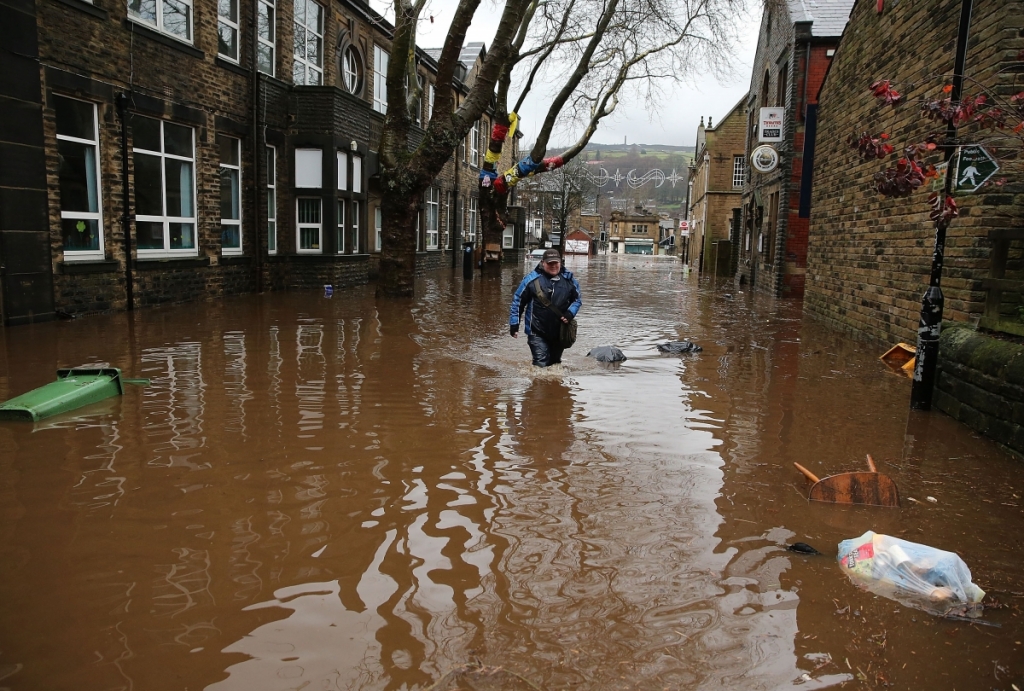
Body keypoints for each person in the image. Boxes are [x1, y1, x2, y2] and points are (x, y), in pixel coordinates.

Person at [509, 248, 582, 367]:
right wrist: (514, 324)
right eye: (550, 263)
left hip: (559, 332)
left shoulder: (569, 280)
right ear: (543, 263)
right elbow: (518, 301)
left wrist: (570, 313)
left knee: (555, 364)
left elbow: (577, 300)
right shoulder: (531, 280)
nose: (553, 266)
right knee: (540, 364)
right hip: (536, 331)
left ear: (560, 262)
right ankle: (538, 384)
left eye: (556, 263)